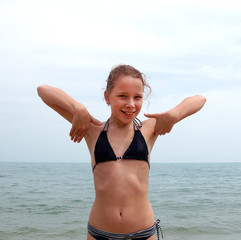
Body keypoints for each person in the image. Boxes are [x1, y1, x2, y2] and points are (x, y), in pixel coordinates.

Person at [37, 64, 206, 240]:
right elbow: (43, 91)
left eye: (137, 97)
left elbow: (200, 99)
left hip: (143, 233)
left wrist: (174, 114)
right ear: (107, 97)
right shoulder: (91, 130)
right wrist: (77, 108)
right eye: (123, 96)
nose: (131, 104)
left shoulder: (148, 130)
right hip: (99, 233)